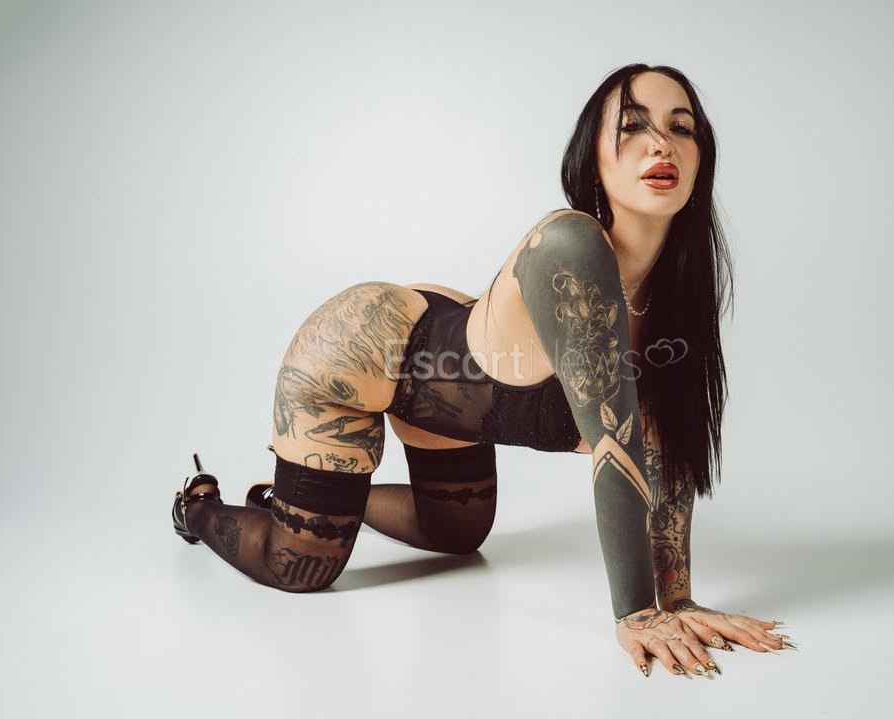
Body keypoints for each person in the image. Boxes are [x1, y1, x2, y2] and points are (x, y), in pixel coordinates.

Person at [170, 63, 795, 677]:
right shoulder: (571, 244)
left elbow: (665, 445)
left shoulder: (676, 288)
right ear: (591, 160)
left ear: (702, 158)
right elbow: (618, 447)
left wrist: (679, 601)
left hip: (443, 386)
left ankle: (300, 498)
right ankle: (198, 505)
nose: (661, 144)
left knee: (456, 535)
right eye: (632, 126)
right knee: (299, 566)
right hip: (357, 356)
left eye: (681, 127)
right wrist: (638, 614)